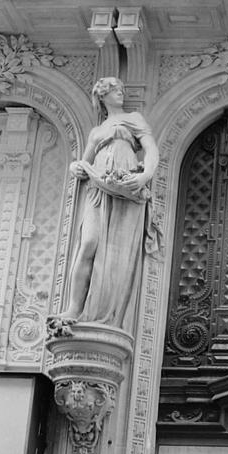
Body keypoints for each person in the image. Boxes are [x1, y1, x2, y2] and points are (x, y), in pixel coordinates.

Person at [47, 77, 161, 336]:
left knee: (115, 254)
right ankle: (74, 308)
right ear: (101, 96)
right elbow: (82, 162)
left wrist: (144, 176)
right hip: (98, 189)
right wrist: (76, 166)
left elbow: (151, 151)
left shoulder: (134, 118)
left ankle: (107, 313)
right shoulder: (96, 131)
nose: (120, 94)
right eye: (114, 90)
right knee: (88, 244)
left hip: (124, 187)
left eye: (121, 90)